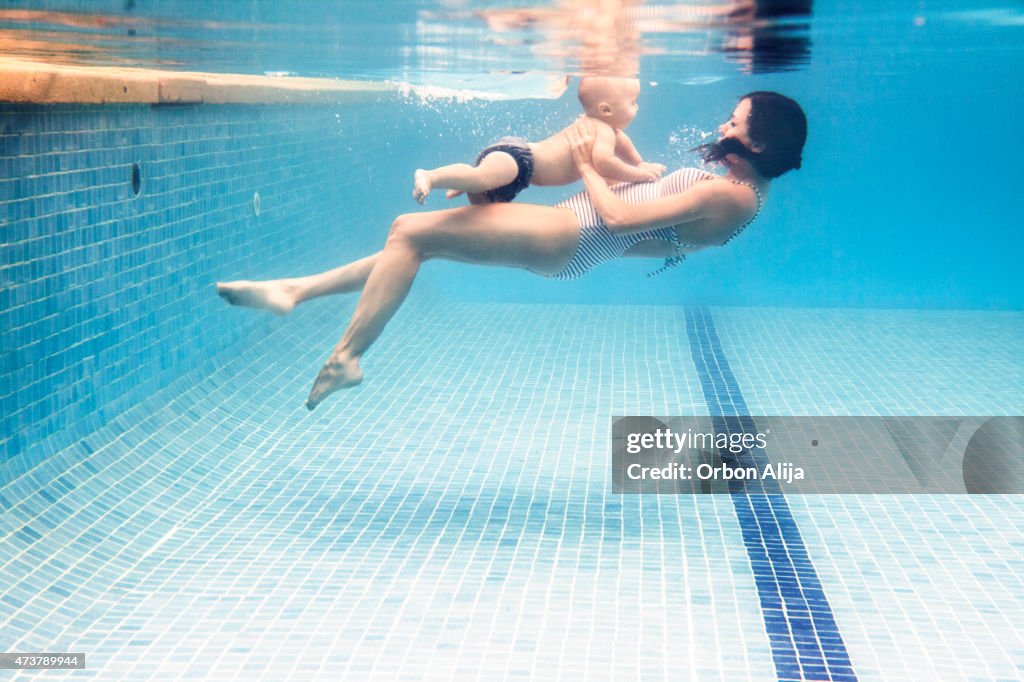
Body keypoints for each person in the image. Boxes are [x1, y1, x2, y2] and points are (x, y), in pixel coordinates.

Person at [217, 92, 807, 410]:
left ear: (756, 141)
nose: (722, 126)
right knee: (421, 245)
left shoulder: (732, 197)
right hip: (566, 238)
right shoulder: (743, 193)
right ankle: (296, 291)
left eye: (734, 121)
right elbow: (644, 240)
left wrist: (582, 165)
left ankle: (346, 355)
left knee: (409, 230)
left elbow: (622, 217)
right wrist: (592, 234)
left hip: (567, 235)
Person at [412, 77, 666, 205]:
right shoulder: (601, 131)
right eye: (633, 102)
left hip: (517, 171)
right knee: (479, 177)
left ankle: (467, 181)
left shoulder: (611, 132)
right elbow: (605, 163)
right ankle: (431, 177)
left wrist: (641, 164)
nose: (637, 107)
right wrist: (639, 175)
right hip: (521, 161)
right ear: (606, 110)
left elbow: (627, 151)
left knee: (482, 204)